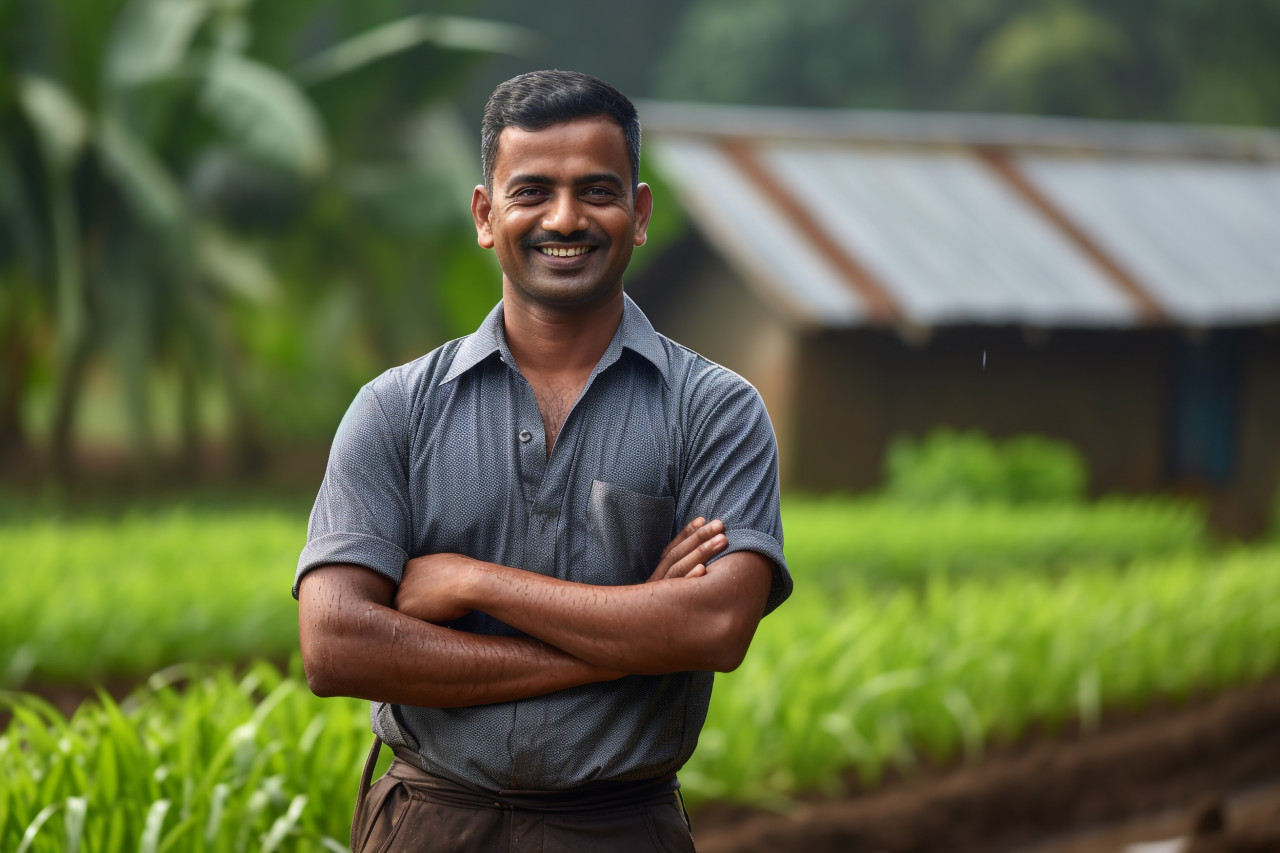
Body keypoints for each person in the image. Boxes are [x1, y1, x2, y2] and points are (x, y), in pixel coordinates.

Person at [294, 69, 791, 852]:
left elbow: (718, 624)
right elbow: (335, 645)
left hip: (622, 827)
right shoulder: (396, 407)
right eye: (532, 192)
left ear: (640, 212)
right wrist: (626, 637)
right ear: (487, 216)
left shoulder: (714, 409)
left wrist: (472, 580)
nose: (566, 217)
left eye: (597, 190)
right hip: (429, 824)